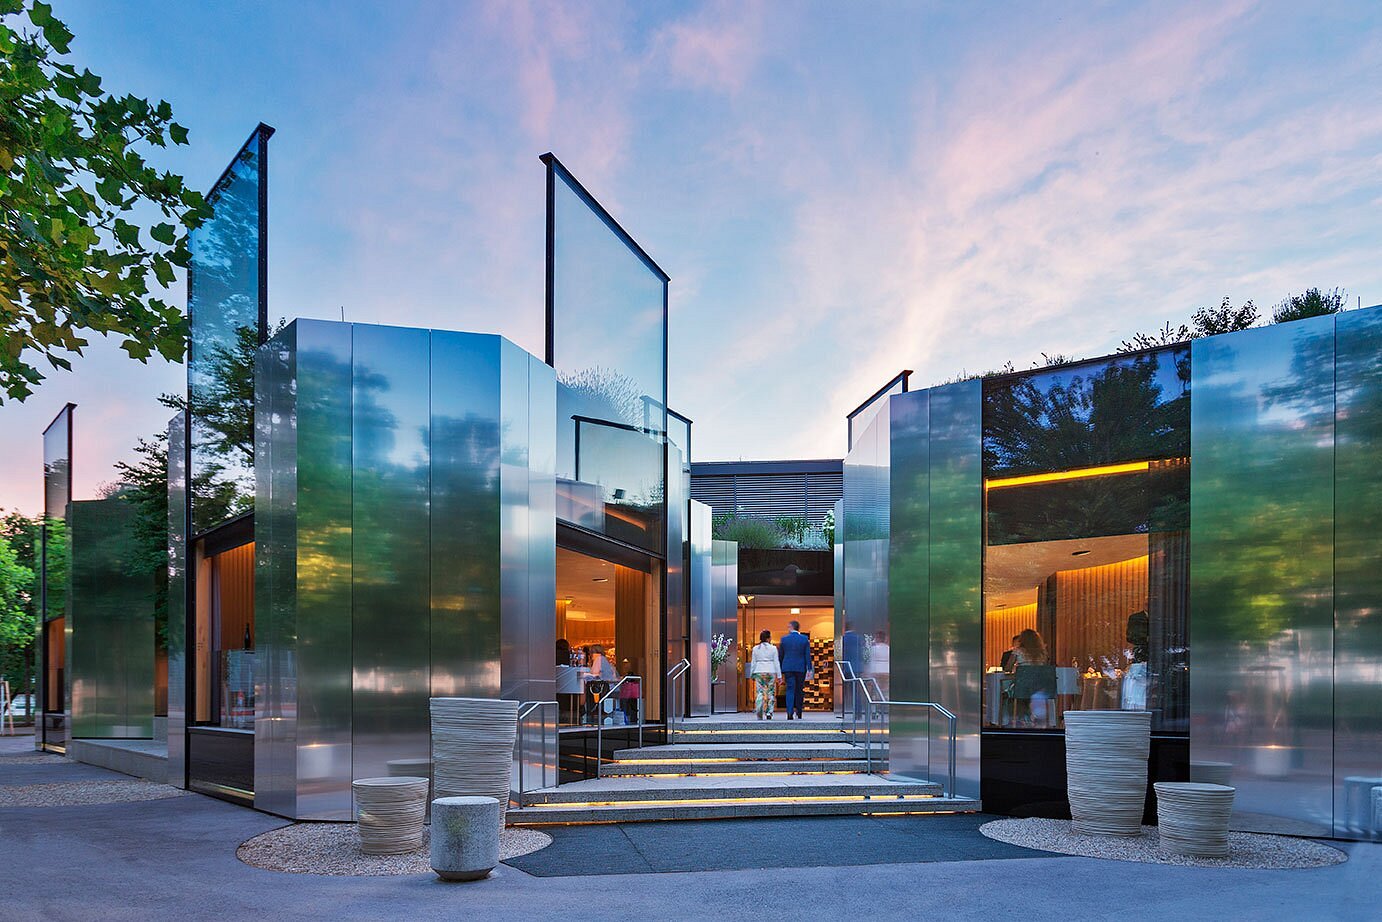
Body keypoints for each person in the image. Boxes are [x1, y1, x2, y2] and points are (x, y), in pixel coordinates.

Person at [779, 621, 811, 720]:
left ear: (791, 627)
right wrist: (809, 668)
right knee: (799, 690)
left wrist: (780, 669)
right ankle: (799, 711)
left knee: (790, 689)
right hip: (800, 667)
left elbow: (781, 655)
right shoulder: (804, 639)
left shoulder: (784, 639)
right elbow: (807, 655)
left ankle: (789, 712)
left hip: (788, 667)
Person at [748, 629, 782, 720]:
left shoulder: (755, 649)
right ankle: (769, 712)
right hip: (771, 671)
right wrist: (779, 676)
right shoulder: (773, 648)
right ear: (768, 638)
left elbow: (753, 662)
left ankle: (759, 708)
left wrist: (752, 674)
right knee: (770, 692)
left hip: (759, 671)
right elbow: (776, 662)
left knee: (760, 691)